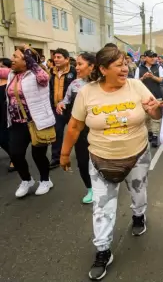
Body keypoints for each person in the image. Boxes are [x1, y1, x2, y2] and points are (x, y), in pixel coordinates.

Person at [59, 46, 163, 280]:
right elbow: (75, 126)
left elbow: (155, 114)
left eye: (125, 64)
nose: (125, 68)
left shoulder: (136, 86)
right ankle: (103, 251)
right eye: (118, 65)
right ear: (103, 69)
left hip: (137, 154)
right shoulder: (87, 93)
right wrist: (64, 154)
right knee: (102, 207)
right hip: (100, 158)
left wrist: (155, 111)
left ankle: (139, 215)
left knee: (139, 193)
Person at [0, 45, 55, 198]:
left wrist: (30, 56)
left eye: (15, 56)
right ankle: (27, 180)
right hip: (17, 123)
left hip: (36, 122)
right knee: (16, 154)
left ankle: (45, 180)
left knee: (38, 155)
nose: (11, 59)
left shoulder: (38, 74)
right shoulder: (11, 74)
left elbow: (44, 78)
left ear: (26, 61)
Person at [56, 52, 96, 204]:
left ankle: (106, 186)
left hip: (99, 130)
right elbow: (65, 100)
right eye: (76, 64)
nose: (76, 67)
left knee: (101, 161)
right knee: (82, 161)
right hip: (80, 129)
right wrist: (61, 104)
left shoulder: (102, 84)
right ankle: (90, 189)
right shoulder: (75, 84)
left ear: (92, 66)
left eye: (80, 64)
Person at [49, 48, 77, 169]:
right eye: (55, 57)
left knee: (77, 133)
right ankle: (56, 158)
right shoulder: (51, 71)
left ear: (67, 59)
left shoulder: (75, 71)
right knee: (57, 133)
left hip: (73, 109)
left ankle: (84, 154)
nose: (56, 59)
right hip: (57, 109)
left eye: (59, 57)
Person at [135, 50, 163, 147]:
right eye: (151, 56)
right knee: (146, 118)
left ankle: (155, 136)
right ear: (145, 57)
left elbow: (162, 80)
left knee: (156, 119)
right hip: (144, 97)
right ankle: (150, 133)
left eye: (154, 56)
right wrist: (143, 78)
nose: (153, 58)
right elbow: (135, 82)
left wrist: (152, 77)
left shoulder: (159, 67)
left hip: (156, 96)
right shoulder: (139, 68)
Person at [0, 58, 15, 173]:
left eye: (2, 66)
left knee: (6, 137)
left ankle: (14, 158)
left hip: (8, 113)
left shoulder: (12, 79)